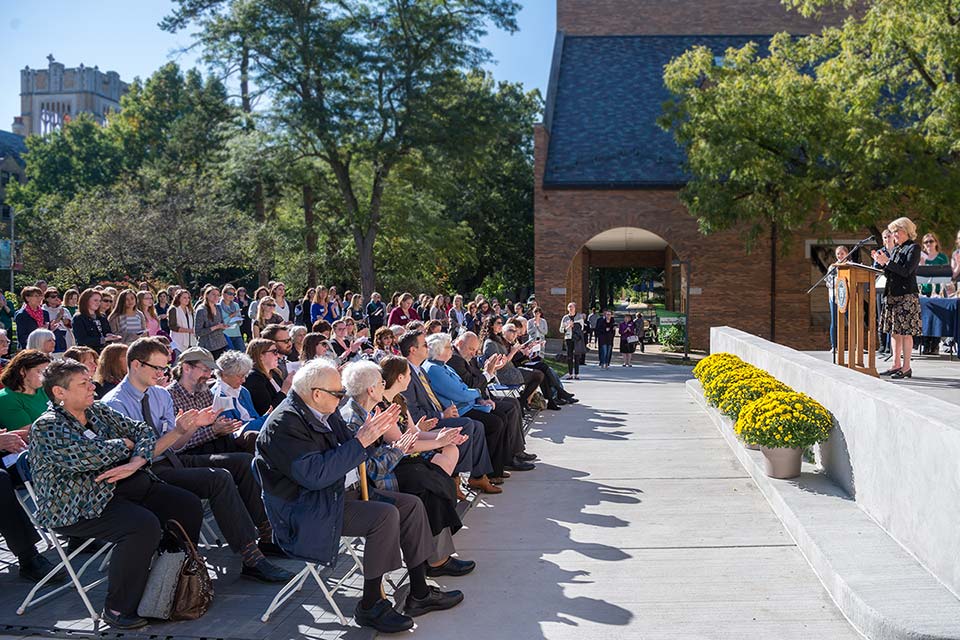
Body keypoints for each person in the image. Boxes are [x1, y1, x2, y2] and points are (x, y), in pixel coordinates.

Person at [255, 359, 464, 633]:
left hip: (337, 495)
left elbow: (359, 452)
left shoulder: (323, 410)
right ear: (316, 394)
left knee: (411, 505)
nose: (342, 398)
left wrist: (378, 438)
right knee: (385, 515)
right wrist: (364, 440)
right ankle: (370, 604)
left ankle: (420, 592)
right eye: (338, 393)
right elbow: (315, 475)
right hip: (307, 510)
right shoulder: (283, 425)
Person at [30, 359, 208, 629]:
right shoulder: (48, 426)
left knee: (186, 504)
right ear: (59, 392)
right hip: (77, 504)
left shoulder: (98, 411)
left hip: (119, 489)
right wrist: (125, 445)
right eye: (84, 384)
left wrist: (136, 459)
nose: (93, 387)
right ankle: (117, 608)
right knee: (141, 526)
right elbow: (87, 456)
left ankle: (167, 580)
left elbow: (142, 431)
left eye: (90, 381)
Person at [103, 338, 293, 585]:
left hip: (170, 459)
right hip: (143, 473)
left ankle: (266, 537)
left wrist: (191, 428)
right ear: (136, 365)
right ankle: (251, 556)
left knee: (242, 462)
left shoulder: (159, 394)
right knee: (219, 477)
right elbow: (138, 457)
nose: (162, 374)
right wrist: (190, 431)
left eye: (164, 368)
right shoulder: (115, 403)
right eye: (157, 368)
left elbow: (176, 444)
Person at [341, 360, 474, 579]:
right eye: (381, 381)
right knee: (427, 487)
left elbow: (403, 440)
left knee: (432, 481)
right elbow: (375, 466)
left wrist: (439, 438)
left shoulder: (371, 410)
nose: (385, 383)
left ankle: (435, 559)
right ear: (372, 389)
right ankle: (435, 562)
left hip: (389, 468)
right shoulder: (356, 417)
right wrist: (402, 447)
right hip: (379, 480)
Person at [399, 330, 500, 494]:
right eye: (424, 345)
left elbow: (439, 398)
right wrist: (442, 415)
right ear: (413, 350)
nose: (428, 348)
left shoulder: (421, 370)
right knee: (468, 424)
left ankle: (477, 476)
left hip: (441, 413)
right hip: (423, 424)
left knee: (478, 424)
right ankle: (455, 478)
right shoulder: (408, 374)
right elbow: (414, 412)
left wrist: (446, 412)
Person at [424, 333, 531, 481]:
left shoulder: (442, 365)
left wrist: (480, 397)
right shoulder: (435, 368)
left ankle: (496, 468)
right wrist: (478, 393)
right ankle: (485, 473)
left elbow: (463, 386)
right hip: (460, 409)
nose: (451, 349)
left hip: (467, 404)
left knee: (501, 416)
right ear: (437, 349)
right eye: (448, 347)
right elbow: (460, 392)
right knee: (495, 422)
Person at [167, 347, 249, 455]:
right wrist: (213, 431)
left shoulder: (203, 390)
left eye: (211, 370)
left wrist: (223, 426)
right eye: (205, 370)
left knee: (252, 439)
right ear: (186, 368)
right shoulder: (169, 396)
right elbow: (176, 444)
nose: (209, 375)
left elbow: (214, 422)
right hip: (189, 455)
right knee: (243, 460)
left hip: (214, 446)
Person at [873, 217, 922, 379]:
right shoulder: (896, 249)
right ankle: (896, 364)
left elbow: (906, 271)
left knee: (906, 333)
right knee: (894, 332)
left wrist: (887, 262)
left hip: (906, 295)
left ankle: (906, 367)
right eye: (892, 232)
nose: (894, 235)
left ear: (906, 231)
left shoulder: (913, 248)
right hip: (892, 294)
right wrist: (881, 263)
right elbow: (891, 272)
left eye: (896, 231)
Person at [479, 315, 546, 409]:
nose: (501, 325)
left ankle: (523, 401)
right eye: (498, 323)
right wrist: (513, 351)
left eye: (501, 323)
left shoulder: (497, 339)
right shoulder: (490, 343)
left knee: (540, 372)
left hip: (511, 370)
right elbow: (497, 365)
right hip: (503, 375)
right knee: (538, 375)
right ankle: (522, 402)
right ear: (491, 325)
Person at [214, 350, 269, 449]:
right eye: (240, 376)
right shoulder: (219, 395)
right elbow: (234, 429)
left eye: (245, 376)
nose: (243, 380)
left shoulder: (243, 391)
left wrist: (264, 419)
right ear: (225, 374)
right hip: (240, 441)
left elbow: (254, 417)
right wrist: (266, 419)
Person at [0, 349, 52, 431]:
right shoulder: (6, 399)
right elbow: (27, 434)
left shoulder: (45, 390)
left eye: (47, 373)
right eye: (40, 372)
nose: (45, 377)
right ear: (22, 371)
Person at [919, 232, 949, 354]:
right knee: (925, 319)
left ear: (936, 242)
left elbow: (946, 274)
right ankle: (926, 344)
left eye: (931, 241)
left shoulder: (942, 258)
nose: (929, 244)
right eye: (926, 242)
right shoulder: (921, 257)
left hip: (938, 292)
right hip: (925, 291)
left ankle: (935, 345)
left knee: (937, 319)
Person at [244, 338, 291, 415]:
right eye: (274, 352)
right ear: (260, 356)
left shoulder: (275, 373)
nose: (278, 355)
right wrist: (284, 390)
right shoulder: (254, 378)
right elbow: (266, 410)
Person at [72, 288, 119, 352]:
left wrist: (110, 336)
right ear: (86, 300)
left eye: (100, 301)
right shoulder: (78, 318)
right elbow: (82, 340)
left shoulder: (102, 316)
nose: (98, 303)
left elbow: (106, 331)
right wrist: (104, 339)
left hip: (103, 351)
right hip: (87, 353)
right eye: (95, 300)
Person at [825, 245, 851, 353]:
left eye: (842, 253)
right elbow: (828, 282)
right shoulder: (833, 267)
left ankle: (855, 345)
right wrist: (839, 282)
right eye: (838, 254)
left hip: (848, 297)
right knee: (834, 321)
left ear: (847, 254)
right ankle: (834, 345)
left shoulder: (851, 266)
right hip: (834, 296)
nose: (840, 256)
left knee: (851, 320)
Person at [194, 286, 230, 358]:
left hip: (221, 343)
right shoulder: (201, 310)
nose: (216, 297)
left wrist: (223, 326)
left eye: (218, 295)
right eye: (213, 294)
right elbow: (198, 332)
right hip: (208, 346)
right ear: (207, 295)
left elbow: (220, 323)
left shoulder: (218, 307)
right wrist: (216, 327)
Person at [14, 286, 50, 350]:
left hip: (44, 348)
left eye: (40, 296)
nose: (39, 298)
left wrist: (50, 329)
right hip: (29, 348)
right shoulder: (22, 315)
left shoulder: (45, 313)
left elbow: (48, 332)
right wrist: (38, 333)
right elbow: (21, 337)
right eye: (36, 296)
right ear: (27, 298)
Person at [559, 302, 586, 379]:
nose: (570, 309)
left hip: (576, 339)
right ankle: (570, 374)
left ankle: (577, 374)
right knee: (569, 356)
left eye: (572, 307)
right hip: (568, 338)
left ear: (575, 308)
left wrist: (575, 327)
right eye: (569, 307)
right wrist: (568, 327)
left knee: (577, 356)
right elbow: (561, 330)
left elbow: (582, 328)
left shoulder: (579, 317)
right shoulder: (565, 318)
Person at [42, 288, 72, 356]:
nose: (56, 298)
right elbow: (49, 326)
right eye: (53, 297)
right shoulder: (44, 311)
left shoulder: (64, 310)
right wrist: (58, 317)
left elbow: (70, 325)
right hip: (53, 338)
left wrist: (66, 321)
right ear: (46, 299)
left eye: (57, 296)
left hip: (65, 338)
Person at [220, 284, 245, 351]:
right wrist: (231, 316)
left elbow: (240, 323)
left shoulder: (236, 305)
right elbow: (220, 323)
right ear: (223, 293)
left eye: (233, 294)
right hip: (225, 334)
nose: (232, 296)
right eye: (229, 293)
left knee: (242, 355)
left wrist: (239, 320)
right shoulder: (218, 306)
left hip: (237, 334)